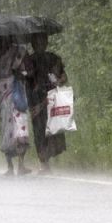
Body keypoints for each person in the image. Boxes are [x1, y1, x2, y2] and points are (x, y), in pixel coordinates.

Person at [0, 35, 31, 176]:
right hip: (5, 96)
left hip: (13, 94)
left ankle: (18, 165)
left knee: (17, 128)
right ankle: (13, 166)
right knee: (9, 129)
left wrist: (19, 73)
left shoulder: (18, 52)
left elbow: (27, 71)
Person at [25, 32, 68, 174]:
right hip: (35, 99)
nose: (40, 45)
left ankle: (47, 160)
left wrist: (57, 81)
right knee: (39, 130)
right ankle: (44, 163)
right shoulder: (29, 60)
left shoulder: (53, 58)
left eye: (43, 41)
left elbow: (63, 76)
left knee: (53, 129)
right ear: (33, 44)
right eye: (37, 42)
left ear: (46, 43)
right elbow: (24, 78)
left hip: (52, 99)